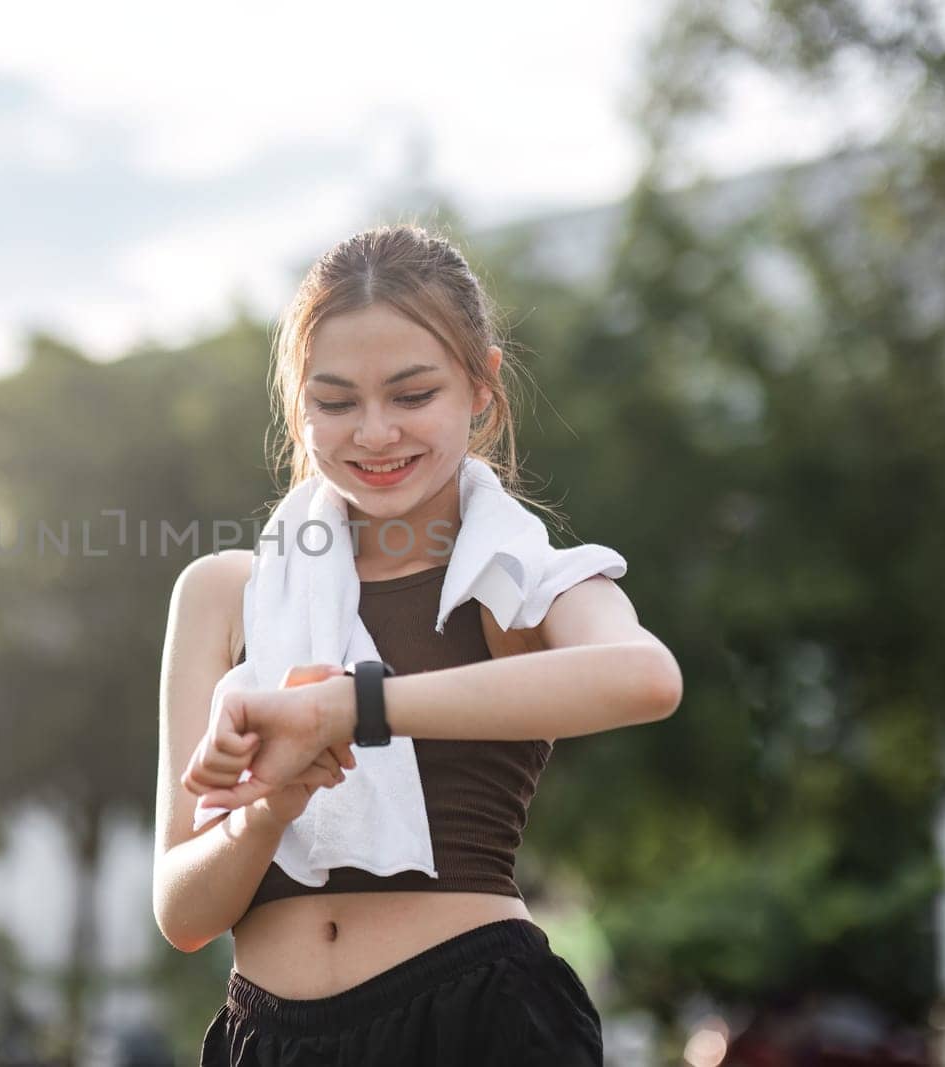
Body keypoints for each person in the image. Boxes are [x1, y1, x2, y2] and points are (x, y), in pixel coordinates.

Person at [152, 223, 683, 1065]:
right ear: (297, 405)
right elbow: (183, 913)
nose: (374, 432)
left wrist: (350, 706)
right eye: (336, 402)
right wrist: (272, 800)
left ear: (481, 388)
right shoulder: (224, 593)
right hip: (271, 1039)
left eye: (411, 394)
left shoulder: (519, 579)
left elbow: (646, 677)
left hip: (478, 1019)